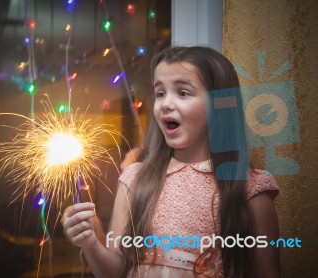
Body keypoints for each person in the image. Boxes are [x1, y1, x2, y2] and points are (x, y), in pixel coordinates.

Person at [61, 46, 280, 278]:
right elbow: (115, 273)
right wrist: (90, 243)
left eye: (183, 93)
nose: (165, 104)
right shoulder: (135, 180)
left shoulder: (249, 189)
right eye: (160, 93)